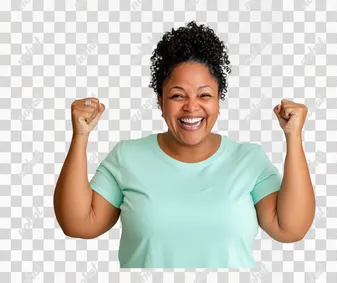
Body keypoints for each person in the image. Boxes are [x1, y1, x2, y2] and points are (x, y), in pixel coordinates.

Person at [54, 21, 315, 268]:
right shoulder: (127, 156)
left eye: (204, 95)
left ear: (218, 100)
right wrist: (80, 136)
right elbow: (79, 224)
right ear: (160, 101)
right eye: (178, 95)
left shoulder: (249, 159)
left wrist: (293, 136)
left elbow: (290, 228)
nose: (192, 106)